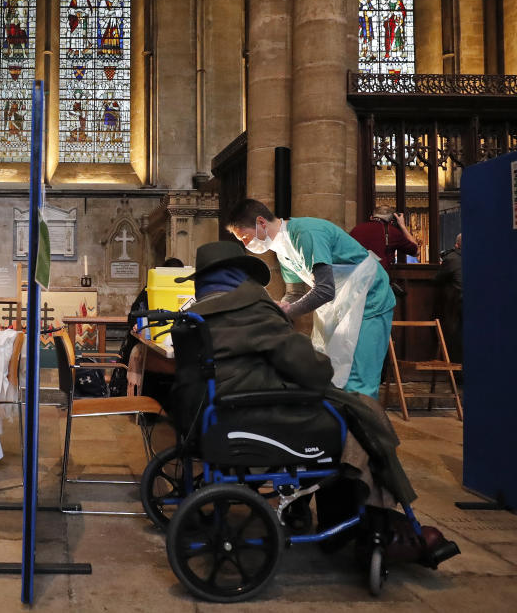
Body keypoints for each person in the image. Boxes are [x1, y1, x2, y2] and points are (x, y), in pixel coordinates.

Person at [174, 241, 457, 563]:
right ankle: (373, 525)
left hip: (215, 412)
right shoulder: (249, 310)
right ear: (240, 276)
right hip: (253, 412)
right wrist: (323, 365)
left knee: (351, 415)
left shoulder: (194, 315)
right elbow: (309, 368)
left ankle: (360, 519)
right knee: (359, 417)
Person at [225, 199, 396, 397]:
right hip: (340, 303)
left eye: (245, 237)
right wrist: (277, 307)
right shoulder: (283, 252)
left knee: (359, 380)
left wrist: (287, 310)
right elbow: (294, 293)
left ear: (261, 223)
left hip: (370, 298)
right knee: (330, 372)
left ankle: (365, 426)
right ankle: (339, 425)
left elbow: (324, 290)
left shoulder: (305, 233)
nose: (246, 244)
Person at [118, 257, 184, 399]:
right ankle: (145, 404)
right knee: (145, 357)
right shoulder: (151, 289)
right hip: (147, 340)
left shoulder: (188, 290)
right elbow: (134, 314)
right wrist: (136, 323)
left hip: (172, 341)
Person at [349, 205, 419, 276]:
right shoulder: (392, 231)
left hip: (356, 276)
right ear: (392, 221)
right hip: (379, 278)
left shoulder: (356, 230)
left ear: (371, 217)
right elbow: (416, 251)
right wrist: (402, 226)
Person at [436, 234, 463, 363]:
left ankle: (456, 371)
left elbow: (438, 279)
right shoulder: (478, 257)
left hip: (456, 302)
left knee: (455, 335)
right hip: (475, 302)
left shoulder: (451, 258)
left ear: (456, 245)